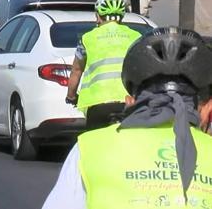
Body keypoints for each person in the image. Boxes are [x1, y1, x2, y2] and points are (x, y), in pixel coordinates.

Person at [43, 27, 212, 209]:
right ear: (208, 109)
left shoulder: (89, 149)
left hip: (95, 106)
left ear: (130, 103)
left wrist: (71, 96)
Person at [65, 0, 142, 129]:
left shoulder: (87, 39)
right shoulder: (136, 37)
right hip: (129, 103)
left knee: (94, 146)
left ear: (98, 16)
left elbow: (76, 70)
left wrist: (71, 96)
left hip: (98, 104)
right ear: (122, 16)